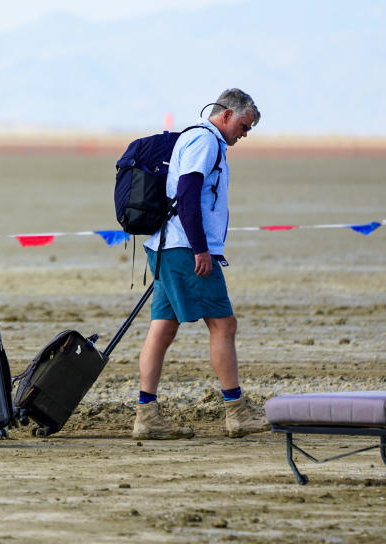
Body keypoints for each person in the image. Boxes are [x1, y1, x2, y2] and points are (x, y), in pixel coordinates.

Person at [132, 89, 270, 440]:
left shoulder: (202, 140)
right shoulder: (205, 142)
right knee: (224, 325)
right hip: (183, 249)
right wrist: (201, 249)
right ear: (225, 115)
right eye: (243, 125)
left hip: (168, 246)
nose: (245, 133)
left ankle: (146, 416)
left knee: (162, 329)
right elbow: (188, 194)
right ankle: (236, 413)